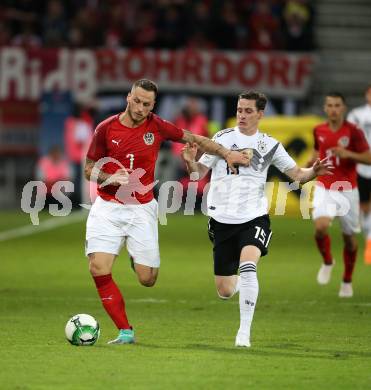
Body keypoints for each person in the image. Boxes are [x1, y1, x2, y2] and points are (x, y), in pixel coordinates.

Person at [84, 79, 248, 345]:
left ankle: (136, 259)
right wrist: (110, 177)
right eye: (136, 101)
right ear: (128, 97)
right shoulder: (105, 128)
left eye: (146, 104)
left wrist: (227, 153)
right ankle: (125, 331)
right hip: (108, 207)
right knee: (98, 268)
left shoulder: (157, 126)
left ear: (153, 105)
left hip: (142, 209)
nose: (139, 108)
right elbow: (88, 168)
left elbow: (195, 139)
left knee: (147, 279)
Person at [181, 90, 332, 348]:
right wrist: (190, 162)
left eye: (248, 111)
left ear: (260, 114)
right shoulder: (221, 138)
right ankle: (238, 284)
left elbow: (296, 174)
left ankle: (244, 333)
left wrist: (313, 172)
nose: (242, 115)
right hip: (221, 220)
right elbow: (199, 174)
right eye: (240, 110)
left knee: (249, 267)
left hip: (254, 218)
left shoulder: (269, 144)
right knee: (225, 291)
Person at [309, 92, 371, 297]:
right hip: (324, 186)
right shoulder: (318, 129)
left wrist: (349, 154)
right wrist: (312, 163)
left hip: (348, 190)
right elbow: (317, 151)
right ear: (325, 108)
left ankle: (347, 280)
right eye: (330, 105)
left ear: (343, 108)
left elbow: (369, 158)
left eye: (337, 105)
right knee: (320, 227)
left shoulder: (354, 132)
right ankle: (328, 261)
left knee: (350, 240)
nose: (334, 109)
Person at [347, 85, 371, 263]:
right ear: (366, 94)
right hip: (362, 167)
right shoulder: (356, 115)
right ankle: (368, 236)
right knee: (363, 207)